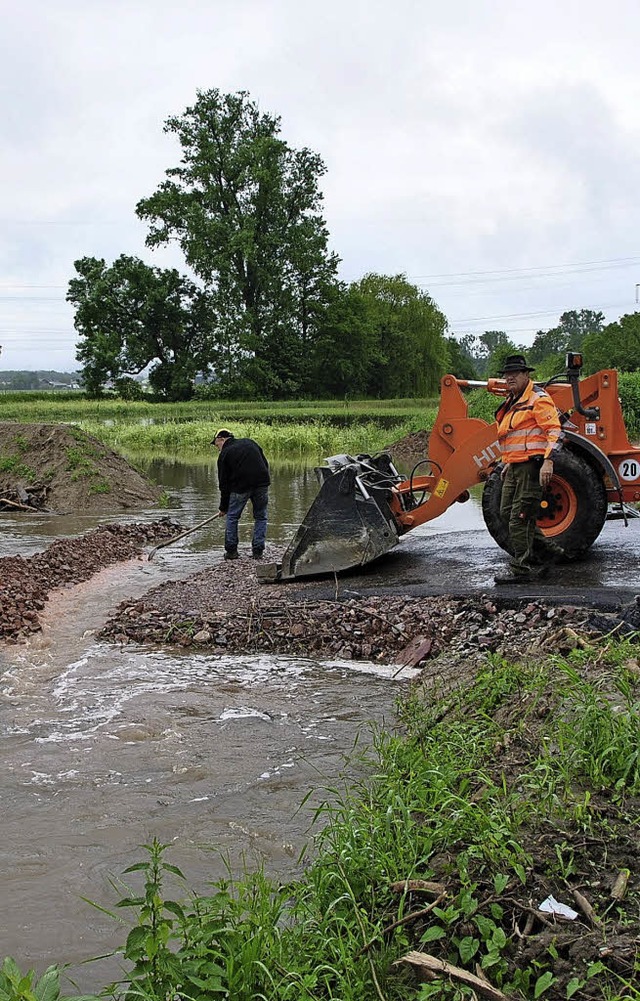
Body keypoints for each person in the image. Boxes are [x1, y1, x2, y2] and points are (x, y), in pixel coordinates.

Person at [493, 355, 565, 584]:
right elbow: (513, 437)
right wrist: (508, 462)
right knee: (506, 513)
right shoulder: (514, 401)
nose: (509, 377)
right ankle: (551, 552)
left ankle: (520, 568)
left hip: (532, 467)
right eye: (507, 374)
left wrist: (548, 460)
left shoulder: (538, 399)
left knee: (520, 517)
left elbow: (555, 431)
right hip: (515, 466)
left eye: (515, 373)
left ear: (527, 375)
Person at [212, 429, 270, 560]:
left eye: (216, 445)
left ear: (222, 439)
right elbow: (265, 464)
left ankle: (231, 552)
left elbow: (224, 484)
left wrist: (223, 507)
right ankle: (258, 551)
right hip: (261, 483)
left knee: (232, 517)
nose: (218, 449)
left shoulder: (225, 454)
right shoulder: (250, 443)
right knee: (261, 517)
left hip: (240, 487)